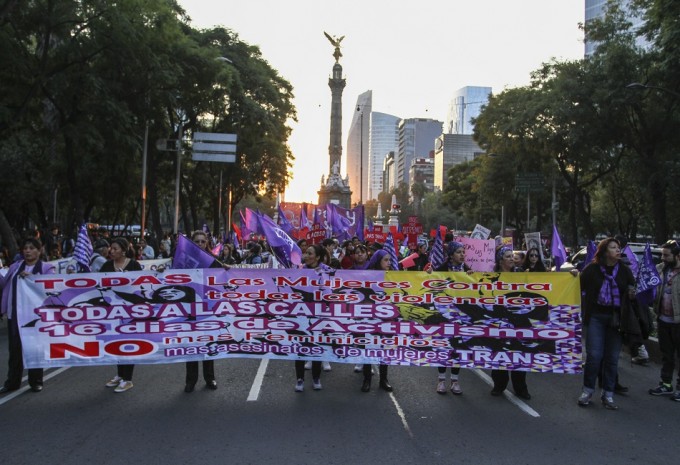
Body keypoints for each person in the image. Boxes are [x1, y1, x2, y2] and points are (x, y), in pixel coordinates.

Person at [577, 237, 636, 410]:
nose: (617, 250)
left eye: (618, 247)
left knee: (611, 359)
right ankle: (587, 391)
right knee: (594, 356)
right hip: (596, 317)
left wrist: (632, 293)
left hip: (617, 320)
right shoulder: (592, 270)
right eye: (613, 247)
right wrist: (574, 275)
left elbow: (632, 289)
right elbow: (577, 286)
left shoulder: (625, 271)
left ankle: (608, 394)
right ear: (604, 252)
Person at [0, 238, 55, 393]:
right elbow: (4, 284)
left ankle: (36, 381)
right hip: (15, 315)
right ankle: (12, 382)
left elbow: (51, 287)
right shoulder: (15, 267)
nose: (28, 251)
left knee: (35, 348)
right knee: (15, 349)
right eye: (25, 248)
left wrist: (33, 280)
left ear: (39, 251)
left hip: (35, 316)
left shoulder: (46, 268)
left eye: (31, 248)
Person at [489, 246, 532, 400]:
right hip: (499, 319)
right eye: (508, 256)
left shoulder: (520, 273)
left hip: (518, 319)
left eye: (512, 256)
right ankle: (499, 385)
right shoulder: (492, 276)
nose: (511, 259)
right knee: (500, 351)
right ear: (500, 260)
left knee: (518, 352)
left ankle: (521, 387)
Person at [101, 237, 143, 393]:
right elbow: (98, 284)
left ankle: (128, 379)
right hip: (112, 312)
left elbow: (141, 286)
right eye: (111, 248)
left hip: (130, 312)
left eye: (115, 249)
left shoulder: (134, 265)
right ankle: (119, 374)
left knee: (128, 343)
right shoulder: (106, 265)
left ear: (124, 251)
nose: (111, 251)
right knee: (116, 343)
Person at [433, 241, 473, 395]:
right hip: (444, 313)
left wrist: (471, 278)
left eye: (464, 252)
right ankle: (441, 379)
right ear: (451, 255)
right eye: (459, 252)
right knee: (444, 345)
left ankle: (455, 380)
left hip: (462, 315)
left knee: (458, 347)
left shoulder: (468, 271)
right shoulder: (442, 270)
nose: (462, 255)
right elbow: (432, 287)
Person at [182, 230, 219, 392]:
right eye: (196, 241)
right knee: (191, 345)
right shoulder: (182, 261)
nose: (199, 244)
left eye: (202, 241)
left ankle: (210, 378)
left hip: (207, 309)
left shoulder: (213, 261)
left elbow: (225, 276)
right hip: (189, 309)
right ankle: (191, 381)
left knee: (208, 343)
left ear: (207, 243)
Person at [295, 244, 332, 392]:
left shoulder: (326, 271)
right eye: (306, 253)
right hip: (301, 314)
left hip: (319, 315)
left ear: (317, 257)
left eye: (310, 253)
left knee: (317, 346)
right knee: (300, 347)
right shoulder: (299, 270)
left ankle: (316, 377)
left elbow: (332, 291)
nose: (306, 255)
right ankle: (300, 378)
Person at [648, 240, 680, 400]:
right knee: (667, 355)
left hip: (678, 322)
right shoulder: (660, 270)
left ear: (677, 256)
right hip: (663, 320)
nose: (662, 258)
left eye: (666, 255)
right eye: (662, 254)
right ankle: (666, 384)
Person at [360, 249, 394, 393]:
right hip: (369, 318)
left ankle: (383, 379)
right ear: (377, 261)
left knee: (384, 349)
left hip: (386, 319)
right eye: (385, 260)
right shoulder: (367, 277)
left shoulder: (393, 276)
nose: (389, 263)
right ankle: (367, 379)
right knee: (367, 349)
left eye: (390, 260)